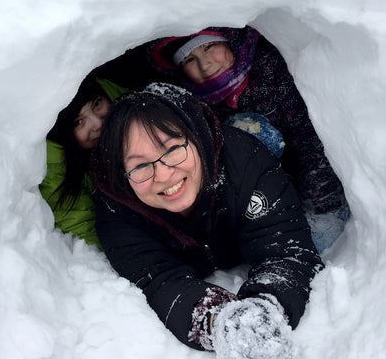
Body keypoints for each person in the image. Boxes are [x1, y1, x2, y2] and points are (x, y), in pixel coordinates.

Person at [91, 82, 323, 357]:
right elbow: (160, 281)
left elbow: (287, 250)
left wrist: (265, 307)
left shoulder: (245, 162)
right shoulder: (117, 211)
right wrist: (218, 320)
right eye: (140, 166)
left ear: (197, 137)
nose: (164, 175)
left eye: (173, 149)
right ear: (122, 173)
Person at [148, 25, 350, 253]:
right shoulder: (198, 104)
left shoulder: (272, 74)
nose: (204, 65)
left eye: (209, 47)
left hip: (315, 184)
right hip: (266, 184)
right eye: (189, 60)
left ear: (230, 41)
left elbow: (310, 143)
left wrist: (325, 206)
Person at [40, 77, 127, 248]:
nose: (98, 123)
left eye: (96, 104)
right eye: (79, 122)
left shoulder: (134, 109)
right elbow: (81, 224)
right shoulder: (60, 169)